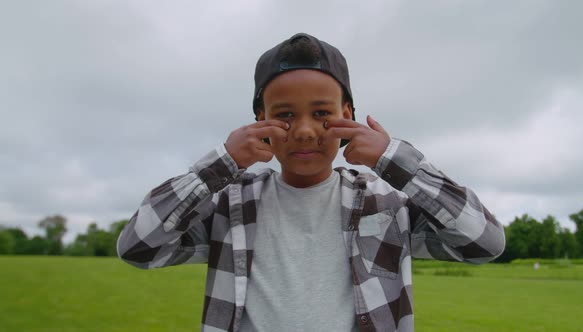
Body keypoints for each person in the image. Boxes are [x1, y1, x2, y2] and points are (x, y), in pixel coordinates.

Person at [117, 32, 505, 332]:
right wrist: (220, 164)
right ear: (259, 118)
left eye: (322, 113)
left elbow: (484, 241)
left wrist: (394, 160)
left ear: (348, 114)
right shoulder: (230, 205)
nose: (304, 131)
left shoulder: (386, 204)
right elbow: (138, 247)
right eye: (284, 115)